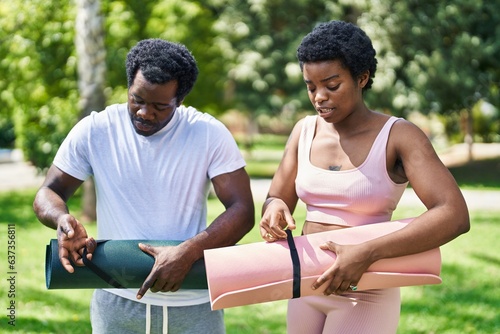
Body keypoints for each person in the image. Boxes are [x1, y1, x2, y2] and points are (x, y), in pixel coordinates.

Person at [259, 20, 469, 334]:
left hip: (367, 293)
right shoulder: (304, 131)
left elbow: (454, 214)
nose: (319, 97)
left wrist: (367, 252)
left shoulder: (399, 136)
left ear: (362, 78)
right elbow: (275, 198)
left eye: (331, 85)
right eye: (310, 86)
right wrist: (273, 209)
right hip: (307, 286)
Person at [33, 39, 255, 333]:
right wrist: (62, 219)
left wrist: (188, 252)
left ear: (180, 100)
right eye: (137, 99)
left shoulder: (208, 134)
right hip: (116, 298)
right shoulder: (96, 129)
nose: (144, 112)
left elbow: (242, 210)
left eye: (160, 106)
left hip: (192, 303)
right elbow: (49, 192)